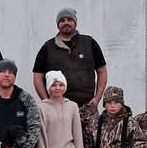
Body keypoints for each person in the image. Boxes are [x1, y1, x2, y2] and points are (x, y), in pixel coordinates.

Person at [32, 8, 108, 136]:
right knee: (61, 143)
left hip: (87, 107)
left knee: (90, 144)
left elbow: (102, 71)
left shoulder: (89, 43)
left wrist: (97, 99)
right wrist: (47, 102)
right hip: (59, 108)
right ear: (57, 24)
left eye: (69, 19)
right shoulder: (48, 47)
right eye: (62, 20)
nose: (66, 23)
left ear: (75, 23)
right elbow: (37, 77)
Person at [35, 71, 86, 148]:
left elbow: (78, 139)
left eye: (61, 84)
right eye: (54, 85)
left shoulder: (73, 106)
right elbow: (41, 142)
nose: (57, 88)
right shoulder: (41, 108)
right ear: (48, 87)